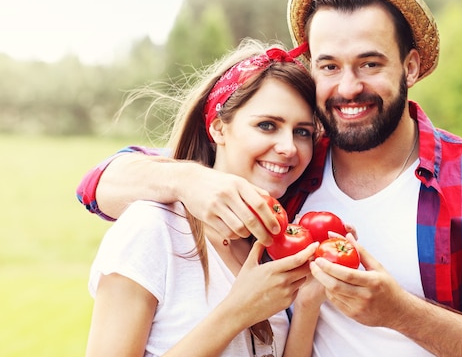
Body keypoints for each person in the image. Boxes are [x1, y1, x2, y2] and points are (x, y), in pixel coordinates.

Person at [77, 0, 462, 357]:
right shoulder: (287, 172)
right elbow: (98, 184)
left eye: (369, 64)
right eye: (329, 65)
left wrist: (400, 313)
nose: (348, 87)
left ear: (410, 66)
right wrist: (188, 182)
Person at [84, 38, 323, 357]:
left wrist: (308, 301)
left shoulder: (270, 245)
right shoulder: (153, 230)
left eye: (302, 132)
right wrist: (238, 312)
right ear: (218, 128)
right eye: (267, 125)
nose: (289, 147)